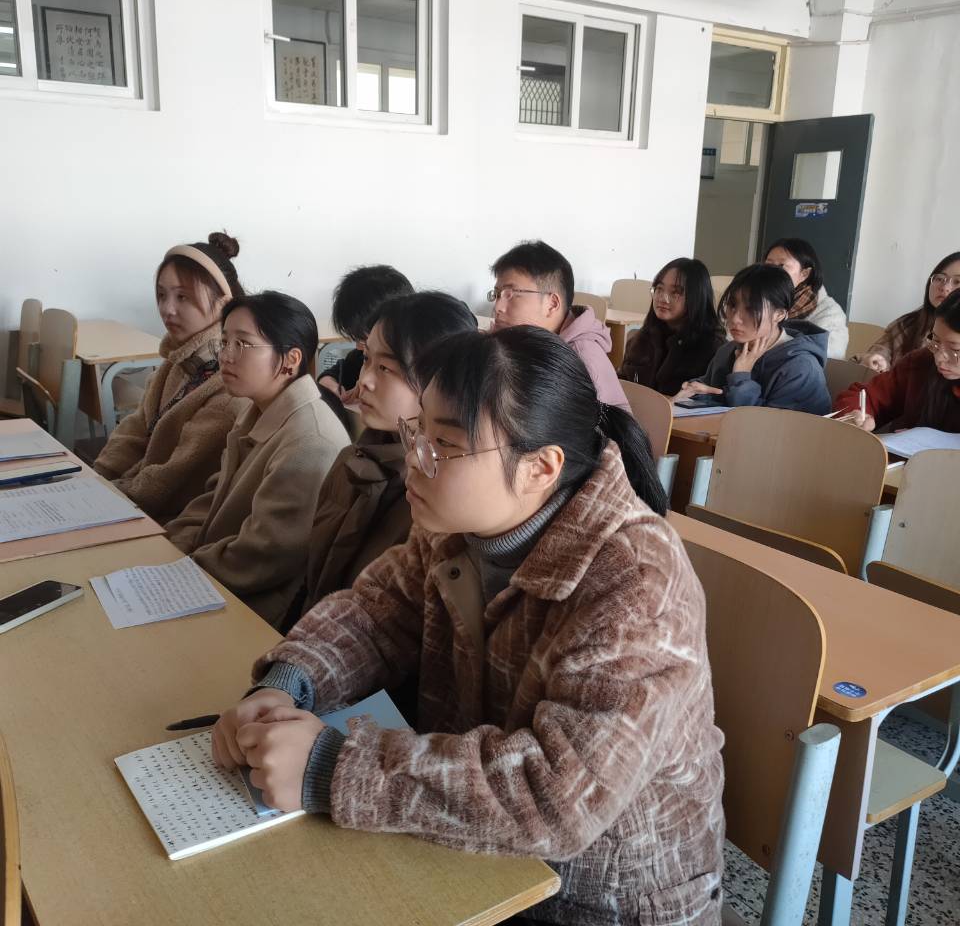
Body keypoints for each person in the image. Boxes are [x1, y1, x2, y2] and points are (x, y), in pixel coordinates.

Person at [210, 327, 725, 926]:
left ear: (540, 468)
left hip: (603, 901)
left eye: (444, 445)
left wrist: (332, 767)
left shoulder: (636, 580)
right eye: (417, 431)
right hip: (474, 852)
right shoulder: (454, 526)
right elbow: (374, 613)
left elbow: (556, 799)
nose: (415, 459)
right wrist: (288, 683)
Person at [166, 291, 350, 627]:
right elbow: (212, 499)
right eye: (224, 342)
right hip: (212, 576)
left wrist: (181, 569)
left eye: (243, 344)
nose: (226, 356)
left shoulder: (311, 440)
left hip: (254, 610)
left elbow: (264, 555)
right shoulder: (257, 410)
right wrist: (169, 547)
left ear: (290, 360)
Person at [301, 291, 477, 615]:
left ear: (438, 381)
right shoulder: (354, 458)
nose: (364, 380)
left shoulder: (435, 498)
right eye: (366, 359)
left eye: (385, 368)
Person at [94, 232, 247, 524]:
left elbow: (170, 481)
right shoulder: (177, 362)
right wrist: (97, 477)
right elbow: (134, 432)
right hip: (135, 503)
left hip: (172, 523)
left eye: (183, 297)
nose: (167, 309)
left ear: (224, 304)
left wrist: (104, 497)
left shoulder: (230, 384)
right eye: (162, 295)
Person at [489, 240, 632, 412]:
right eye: (497, 295)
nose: (498, 307)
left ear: (552, 304)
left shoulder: (581, 362)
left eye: (511, 294)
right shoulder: (526, 341)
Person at [675, 264, 832, 414]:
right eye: (732, 305)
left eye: (751, 309)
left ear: (779, 314)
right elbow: (711, 392)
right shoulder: (727, 350)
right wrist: (695, 391)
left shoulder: (801, 368)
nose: (735, 319)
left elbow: (768, 427)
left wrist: (741, 377)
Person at [834, 290, 960, 433]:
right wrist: (855, 414)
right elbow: (867, 395)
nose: (939, 357)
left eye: (954, 349)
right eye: (935, 341)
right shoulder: (921, 362)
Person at [618, 258, 725, 396]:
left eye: (675, 292)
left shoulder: (713, 348)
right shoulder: (641, 338)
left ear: (696, 297)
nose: (663, 298)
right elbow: (621, 384)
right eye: (659, 289)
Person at [317, 265, 413, 401]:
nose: (358, 347)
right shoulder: (361, 357)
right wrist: (328, 381)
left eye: (363, 339)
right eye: (356, 339)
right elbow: (340, 371)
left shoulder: (420, 370)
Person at [856, 251, 960, 372]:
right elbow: (881, 351)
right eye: (940, 278)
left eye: (957, 282)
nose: (944, 287)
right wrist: (877, 360)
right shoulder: (908, 324)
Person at [764, 238, 849, 358]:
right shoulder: (758, 299)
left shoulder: (830, 313)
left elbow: (830, 357)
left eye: (781, 265)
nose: (771, 272)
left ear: (804, 274)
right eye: (768, 265)